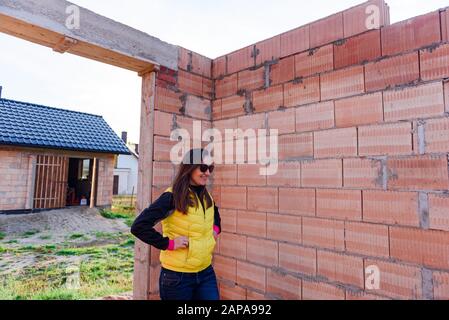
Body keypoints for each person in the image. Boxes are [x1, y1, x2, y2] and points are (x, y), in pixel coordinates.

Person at [131, 149, 221, 300]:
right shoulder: (172, 196)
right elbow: (139, 226)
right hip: (177, 278)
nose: (207, 173)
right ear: (190, 167)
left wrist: (215, 230)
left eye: (210, 168)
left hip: (205, 272)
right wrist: (168, 244)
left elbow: (215, 214)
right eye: (203, 168)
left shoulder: (206, 196)